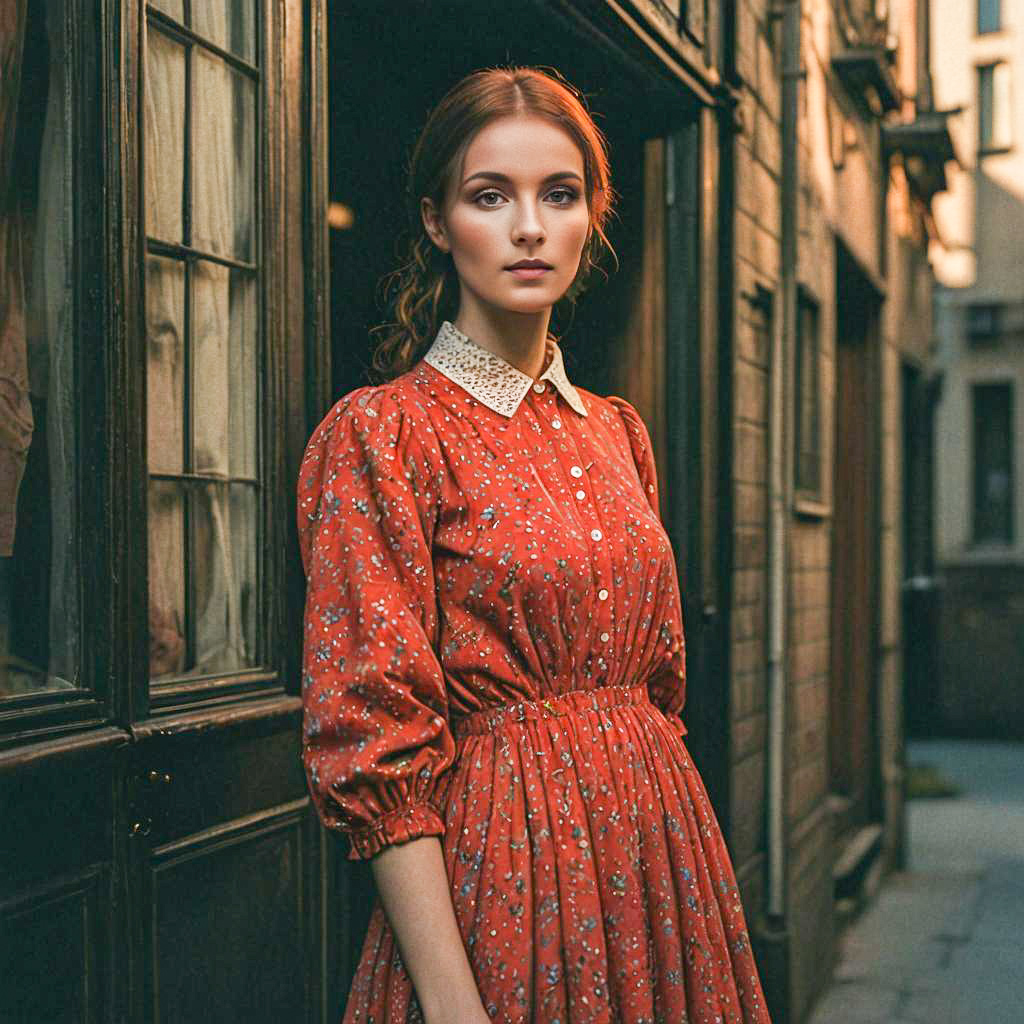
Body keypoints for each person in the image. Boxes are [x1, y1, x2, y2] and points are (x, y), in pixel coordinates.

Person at [297, 65, 772, 1024]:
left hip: (660, 874)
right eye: (489, 196)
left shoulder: (617, 430)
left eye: (559, 195)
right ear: (437, 221)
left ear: (592, 216)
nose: (528, 227)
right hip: (502, 887)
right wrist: (451, 1001)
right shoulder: (386, 434)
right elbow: (369, 734)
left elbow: (660, 692)